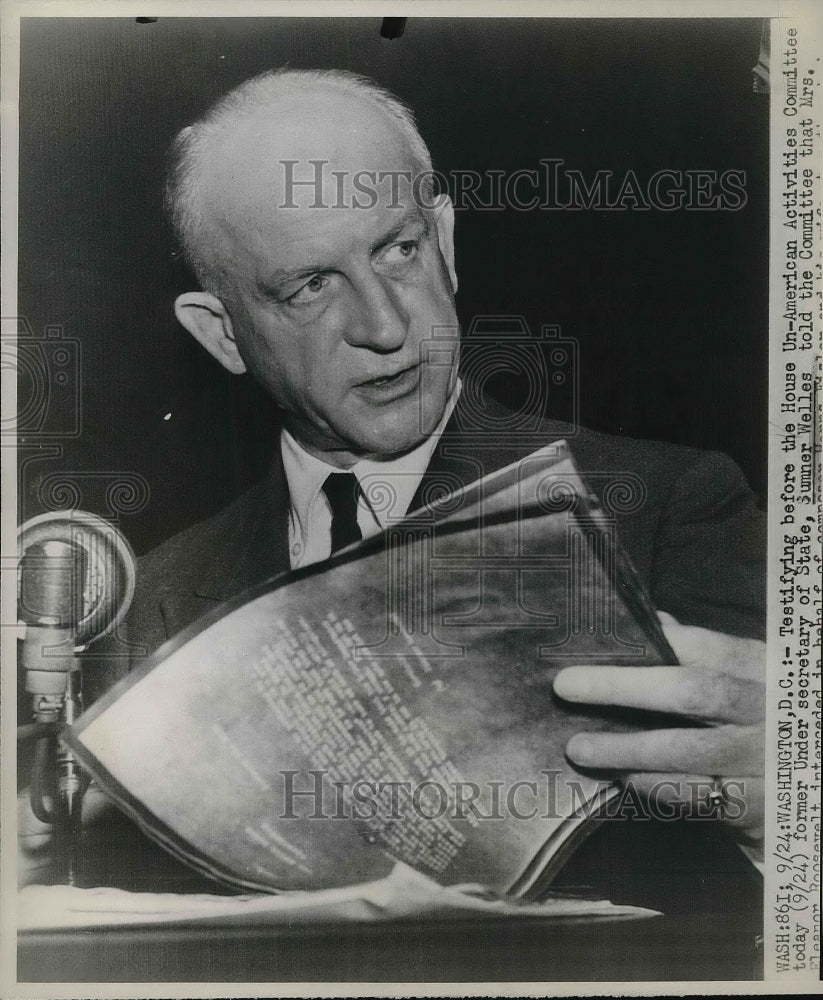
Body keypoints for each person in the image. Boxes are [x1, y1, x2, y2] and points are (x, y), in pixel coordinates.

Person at [22, 68, 766, 914]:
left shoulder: (672, 511)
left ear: (444, 241)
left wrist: (777, 817)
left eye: (398, 250)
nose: (384, 327)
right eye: (310, 285)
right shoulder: (141, 611)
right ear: (222, 334)